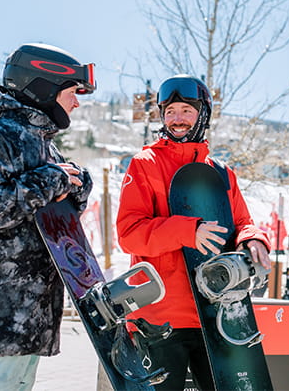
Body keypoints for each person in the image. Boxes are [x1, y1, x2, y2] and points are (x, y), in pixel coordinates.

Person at [0, 43, 95, 390]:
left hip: (27, 323)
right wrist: (51, 180)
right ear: (44, 88)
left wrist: (77, 187)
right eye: (72, 92)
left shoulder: (45, 147)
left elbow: (52, 220)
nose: (76, 103)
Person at [117, 74, 271, 390]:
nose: (178, 119)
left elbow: (242, 222)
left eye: (187, 111)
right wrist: (188, 231)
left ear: (203, 115)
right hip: (160, 317)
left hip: (214, 313)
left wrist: (253, 239)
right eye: (170, 111)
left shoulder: (221, 174)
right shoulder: (145, 164)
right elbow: (129, 234)